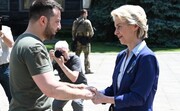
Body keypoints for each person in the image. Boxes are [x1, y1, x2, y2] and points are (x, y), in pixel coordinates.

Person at [9, 0, 94, 111]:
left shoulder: (21, 40)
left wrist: (79, 87)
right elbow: (52, 89)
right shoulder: (34, 47)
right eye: (57, 21)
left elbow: (49, 83)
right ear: (43, 20)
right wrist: (86, 95)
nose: (59, 26)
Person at [91, 5, 159, 111]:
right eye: (115, 27)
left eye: (119, 26)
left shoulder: (147, 58)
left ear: (135, 26)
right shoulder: (121, 56)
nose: (115, 32)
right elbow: (116, 90)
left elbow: (138, 98)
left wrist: (106, 99)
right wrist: (95, 93)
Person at [49, 40, 87, 111]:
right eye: (58, 52)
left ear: (68, 50)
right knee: (55, 105)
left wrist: (61, 64)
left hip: (79, 86)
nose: (61, 55)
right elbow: (47, 74)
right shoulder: (56, 60)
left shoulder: (75, 59)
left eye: (63, 52)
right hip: (65, 86)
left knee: (76, 103)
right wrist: (50, 60)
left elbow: (73, 78)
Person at [72, 9, 94, 74]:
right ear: (84, 14)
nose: (87, 15)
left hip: (78, 40)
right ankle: (87, 69)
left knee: (77, 55)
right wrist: (89, 37)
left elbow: (73, 31)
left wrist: (74, 39)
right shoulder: (87, 22)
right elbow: (91, 32)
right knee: (86, 55)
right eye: (86, 13)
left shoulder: (75, 21)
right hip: (85, 40)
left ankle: (75, 69)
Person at [0, 22, 14, 104]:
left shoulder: (6, 29)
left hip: (5, 68)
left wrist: (2, 35)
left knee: (12, 96)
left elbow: (11, 44)